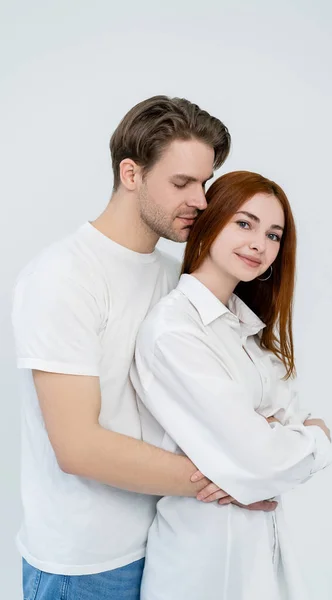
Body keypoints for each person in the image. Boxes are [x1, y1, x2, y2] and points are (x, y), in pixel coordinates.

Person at [12, 96, 272, 600]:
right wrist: (227, 480)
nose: (200, 200)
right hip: (84, 566)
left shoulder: (177, 279)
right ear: (130, 174)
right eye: (181, 183)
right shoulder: (63, 277)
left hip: (168, 545)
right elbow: (78, 446)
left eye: (205, 182)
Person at [132, 171, 332, 600]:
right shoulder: (175, 331)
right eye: (244, 223)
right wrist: (316, 436)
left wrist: (264, 452)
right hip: (203, 559)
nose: (260, 244)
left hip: (257, 551)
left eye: (274, 234)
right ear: (211, 221)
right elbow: (265, 460)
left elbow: (273, 440)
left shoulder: (243, 328)